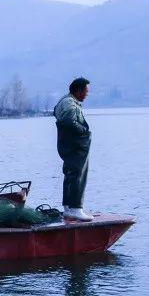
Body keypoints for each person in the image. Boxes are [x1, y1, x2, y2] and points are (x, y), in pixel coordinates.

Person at [54, 77, 93, 221]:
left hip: (67, 146)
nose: (87, 94)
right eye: (86, 91)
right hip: (75, 146)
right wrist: (83, 131)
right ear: (78, 90)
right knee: (78, 174)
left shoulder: (64, 101)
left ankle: (69, 208)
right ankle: (76, 208)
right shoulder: (70, 103)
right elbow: (68, 121)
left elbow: (56, 113)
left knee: (70, 174)